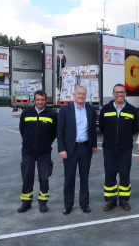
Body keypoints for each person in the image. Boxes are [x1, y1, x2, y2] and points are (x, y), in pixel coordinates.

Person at [57, 86, 97, 215]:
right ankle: (68, 204)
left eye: (83, 94)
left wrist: (94, 145)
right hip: (70, 149)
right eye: (79, 93)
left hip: (85, 148)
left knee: (84, 177)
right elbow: (60, 131)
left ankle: (84, 203)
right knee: (69, 178)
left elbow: (92, 129)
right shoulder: (65, 109)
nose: (81, 96)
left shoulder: (90, 109)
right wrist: (62, 149)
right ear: (73, 95)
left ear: (86, 96)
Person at [99, 83, 139, 211]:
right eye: (117, 92)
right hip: (109, 148)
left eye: (122, 92)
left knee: (124, 173)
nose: (119, 94)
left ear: (125, 94)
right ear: (113, 94)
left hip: (125, 148)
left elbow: (134, 128)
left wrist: (123, 138)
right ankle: (111, 200)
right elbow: (102, 127)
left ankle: (124, 200)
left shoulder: (132, 110)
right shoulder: (105, 109)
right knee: (110, 173)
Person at [18, 90, 57, 213]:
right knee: (27, 177)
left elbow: (53, 133)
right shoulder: (26, 113)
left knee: (44, 178)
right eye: (38, 100)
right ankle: (26, 202)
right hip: (28, 151)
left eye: (42, 100)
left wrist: (45, 143)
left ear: (46, 101)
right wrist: (28, 142)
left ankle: (43, 202)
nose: (40, 102)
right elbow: (22, 130)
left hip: (44, 152)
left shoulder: (51, 115)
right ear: (34, 100)